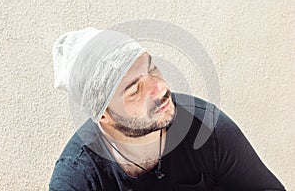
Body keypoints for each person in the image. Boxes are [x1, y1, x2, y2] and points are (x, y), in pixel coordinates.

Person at [49, 28, 285, 191]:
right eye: (134, 90)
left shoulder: (205, 126)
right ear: (103, 115)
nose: (160, 89)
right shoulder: (78, 178)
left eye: (152, 70)